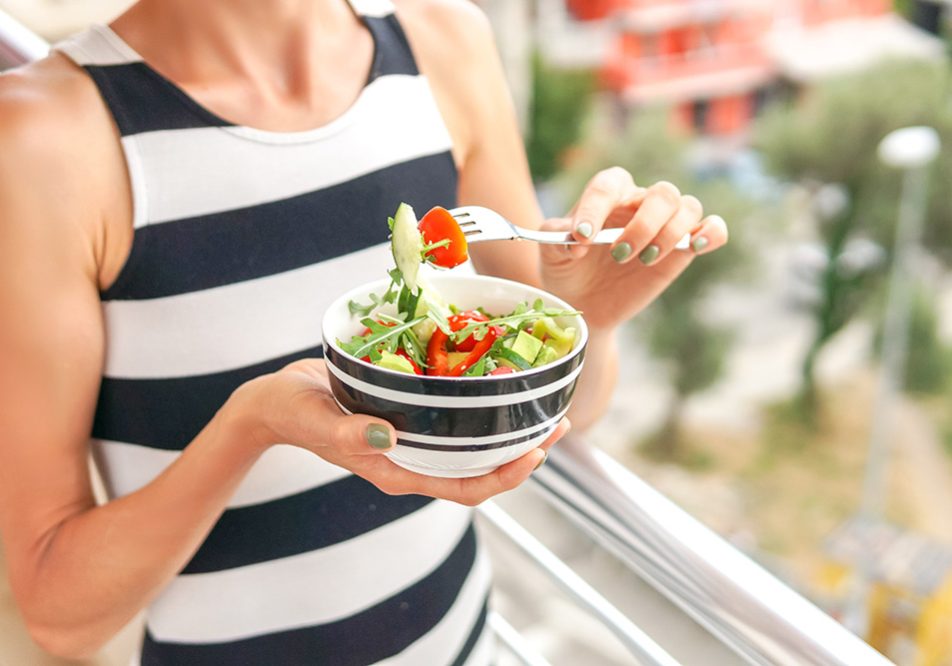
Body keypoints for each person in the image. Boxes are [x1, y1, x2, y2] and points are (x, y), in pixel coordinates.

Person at [0, 0, 728, 663]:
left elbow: (563, 411)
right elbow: (63, 619)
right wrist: (249, 427)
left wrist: (589, 322)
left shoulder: (446, 44)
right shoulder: (41, 142)